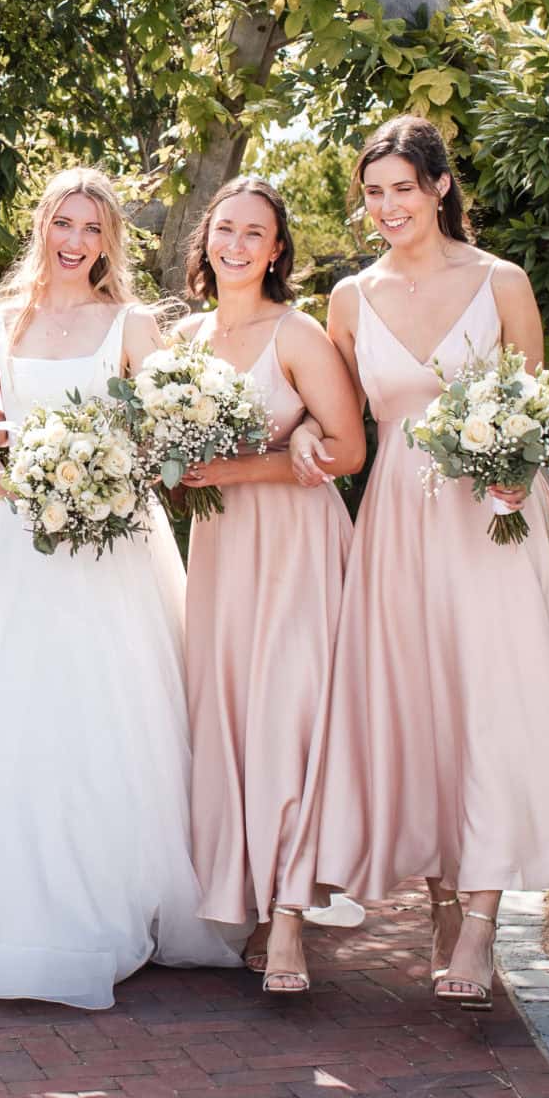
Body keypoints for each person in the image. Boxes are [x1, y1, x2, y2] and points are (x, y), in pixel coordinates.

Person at [0, 166, 244, 1008]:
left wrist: (102, 487)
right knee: (20, 712)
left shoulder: (134, 325)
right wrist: (32, 493)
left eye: (91, 229)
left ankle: (128, 895)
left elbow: (166, 437)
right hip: (25, 540)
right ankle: (16, 905)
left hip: (118, 546)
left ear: (110, 240)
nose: (75, 242)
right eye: (63, 224)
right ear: (43, 228)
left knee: (119, 710)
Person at [309, 116, 549, 1008]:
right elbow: (343, 416)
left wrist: (516, 471)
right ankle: (439, 900)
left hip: (495, 519)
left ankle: (479, 922)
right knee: (422, 707)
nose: (386, 206)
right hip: (396, 521)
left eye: (402, 188)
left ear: (438, 188)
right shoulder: (349, 299)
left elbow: (531, 405)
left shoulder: (500, 281)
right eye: (374, 191)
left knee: (498, 706)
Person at [172, 176, 364, 995]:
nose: (238, 245)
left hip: (294, 544)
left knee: (289, 713)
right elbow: (173, 465)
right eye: (225, 229)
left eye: (256, 233)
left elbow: (350, 448)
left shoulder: (298, 334)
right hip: (218, 546)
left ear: (278, 248)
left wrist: (243, 465)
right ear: (206, 240)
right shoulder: (179, 342)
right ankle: (244, 901)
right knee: (230, 716)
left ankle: (290, 915)